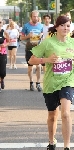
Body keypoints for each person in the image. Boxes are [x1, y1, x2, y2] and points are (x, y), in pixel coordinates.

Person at [28, 15, 73, 150]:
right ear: (57, 27)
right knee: (53, 116)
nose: (66, 28)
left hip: (68, 81)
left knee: (65, 113)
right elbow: (31, 60)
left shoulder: (72, 43)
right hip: (51, 83)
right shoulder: (48, 43)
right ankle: (52, 141)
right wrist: (47, 60)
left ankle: (66, 146)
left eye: (68, 26)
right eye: (63, 25)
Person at [21, 10, 43, 92]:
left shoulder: (41, 26)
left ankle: (38, 83)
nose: (36, 18)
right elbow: (21, 38)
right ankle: (31, 82)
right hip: (29, 48)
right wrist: (28, 36)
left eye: (37, 16)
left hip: (38, 49)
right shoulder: (26, 26)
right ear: (31, 17)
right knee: (30, 68)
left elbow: (43, 36)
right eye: (34, 16)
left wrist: (41, 36)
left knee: (38, 66)